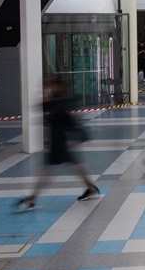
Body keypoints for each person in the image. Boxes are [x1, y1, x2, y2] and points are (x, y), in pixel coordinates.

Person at [17, 77, 100, 209]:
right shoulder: (58, 98)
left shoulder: (61, 100)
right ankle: (91, 188)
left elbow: (49, 108)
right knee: (74, 165)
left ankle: (32, 199)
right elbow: (45, 108)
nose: (49, 87)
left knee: (48, 171)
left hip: (60, 140)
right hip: (60, 139)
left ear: (58, 86)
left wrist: (45, 94)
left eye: (52, 85)